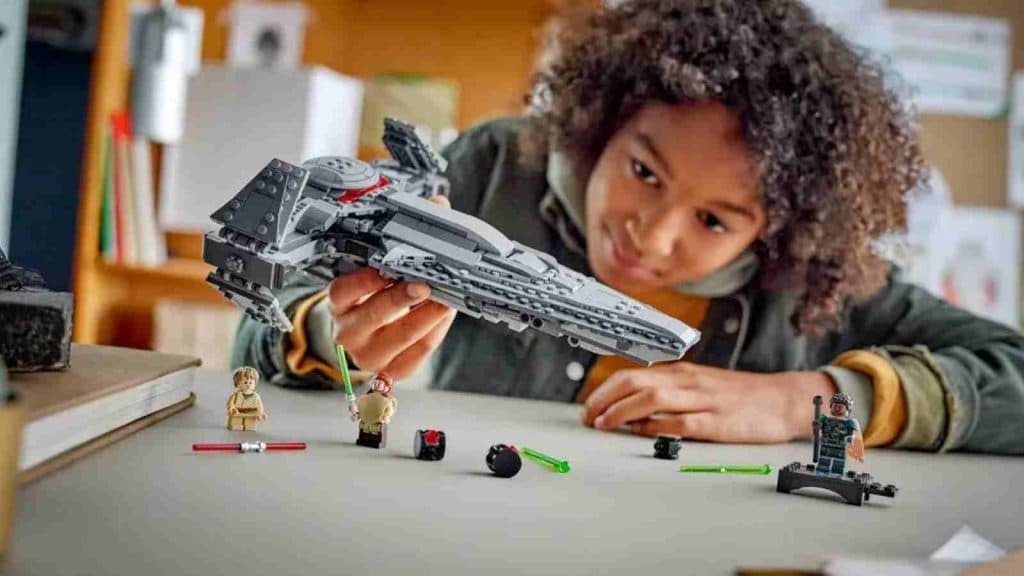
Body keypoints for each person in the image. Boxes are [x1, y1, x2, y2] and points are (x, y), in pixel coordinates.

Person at [233, 0, 1024, 454]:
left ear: (784, 229)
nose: (650, 235)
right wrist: (333, 333)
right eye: (643, 171)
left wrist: (814, 399)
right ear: (601, 125)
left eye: (714, 219)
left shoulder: (820, 284)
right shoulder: (489, 172)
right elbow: (255, 314)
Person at [226, 366, 267, 431]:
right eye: (245, 382)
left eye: (250, 382)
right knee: (236, 424)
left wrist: (260, 413)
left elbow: (259, 406)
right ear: (238, 384)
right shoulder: (235, 395)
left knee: (249, 426)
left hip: (251, 414)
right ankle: (235, 426)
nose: (248, 385)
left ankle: (248, 427)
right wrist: (232, 408)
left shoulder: (256, 396)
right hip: (237, 413)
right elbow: (230, 403)